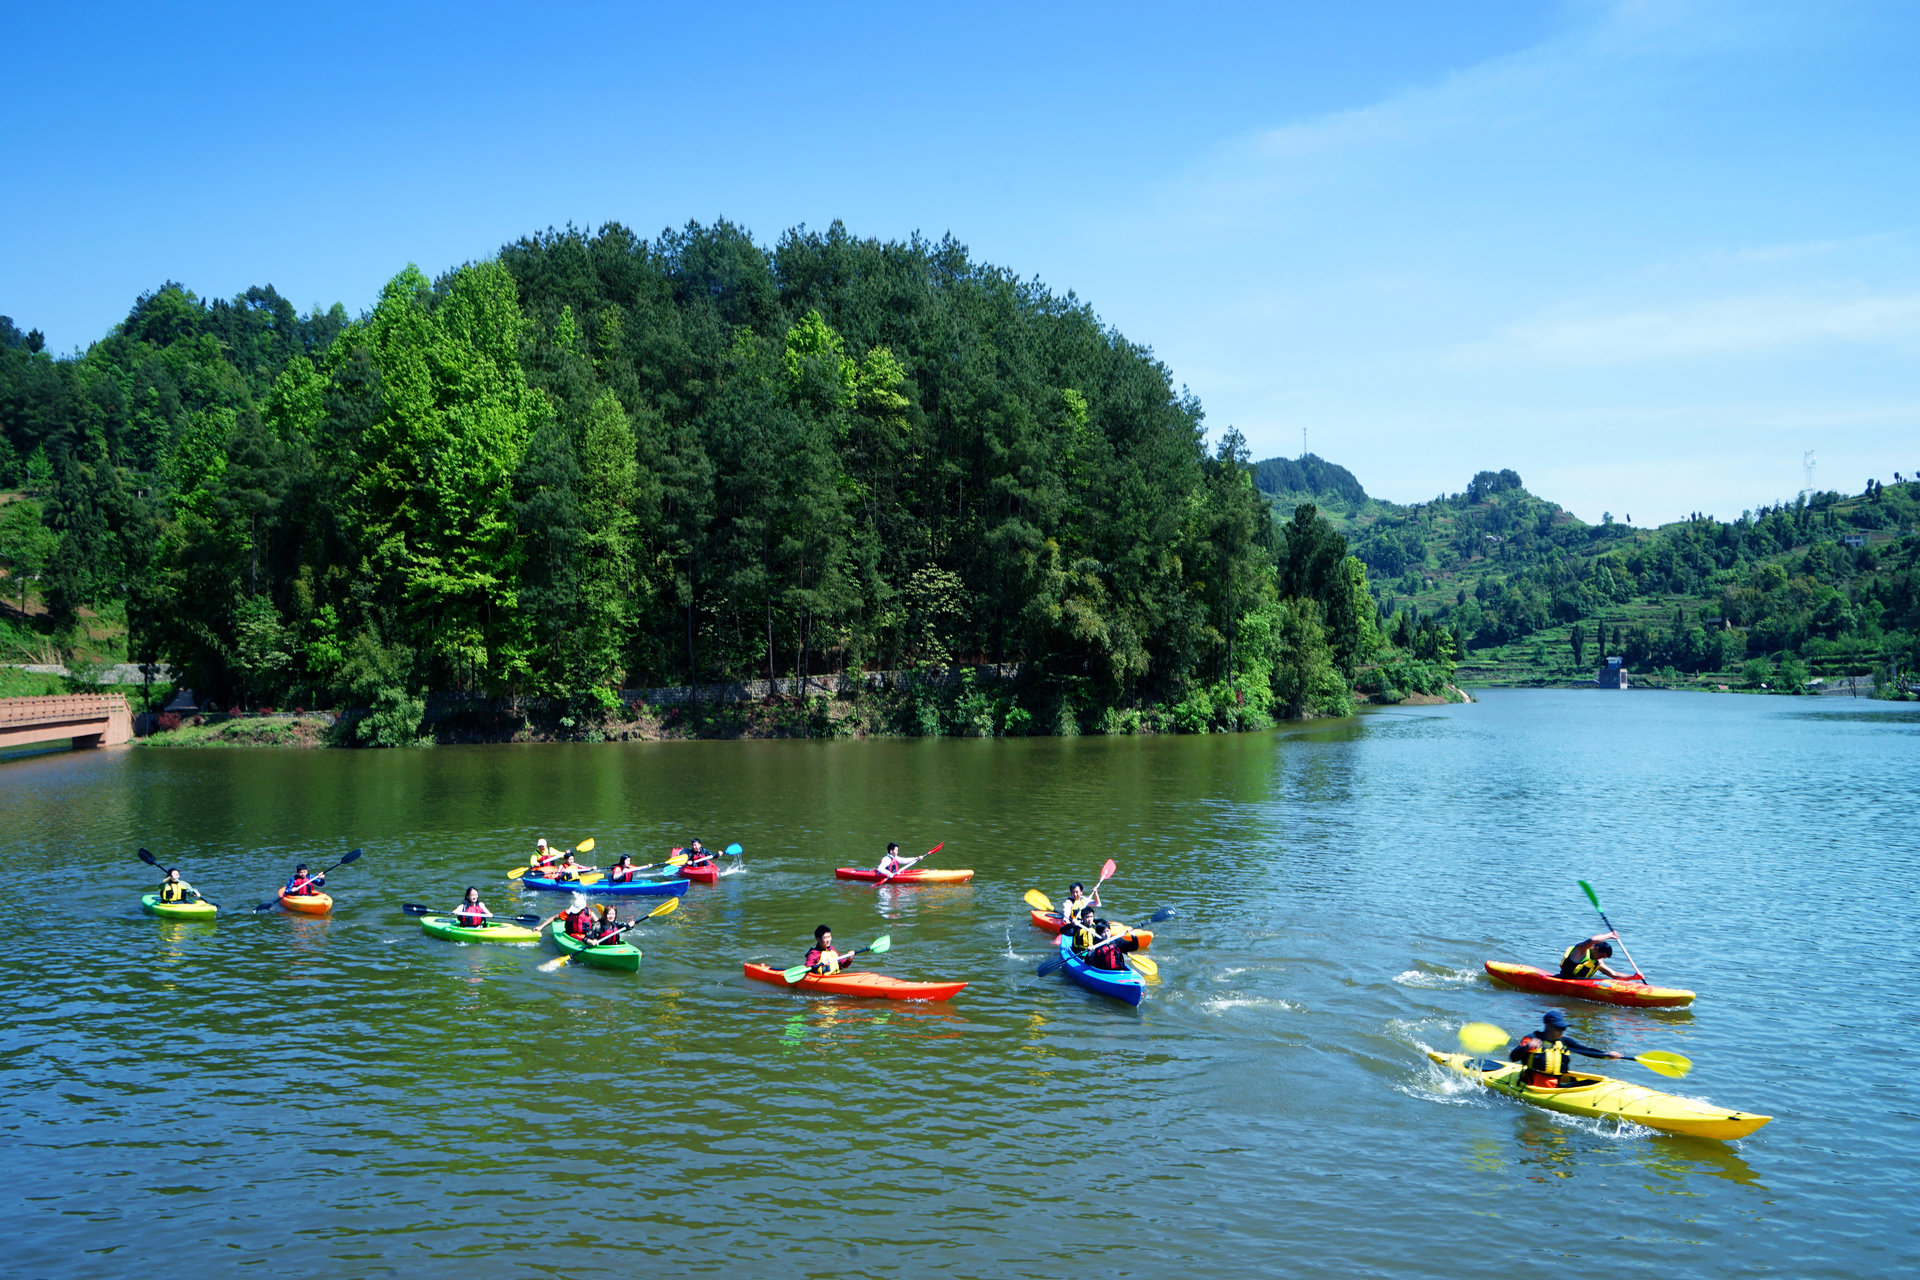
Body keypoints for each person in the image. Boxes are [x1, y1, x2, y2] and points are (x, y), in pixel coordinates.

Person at [1508, 1010, 1625, 1088]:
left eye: (1563, 1028)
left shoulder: (1564, 1042)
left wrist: (1606, 1054)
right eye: (1558, 1028)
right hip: (1535, 1083)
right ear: (1547, 1026)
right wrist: (1528, 1046)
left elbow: (1585, 1050)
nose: (1561, 1031)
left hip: (1558, 1082)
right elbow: (1513, 1057)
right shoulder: (1532, 1039)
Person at [1557, 931, 1635, 981]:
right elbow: (1592, 940)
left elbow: (1614, 974)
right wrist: (1609, 935)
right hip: (1564, 979)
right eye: (1601, 956)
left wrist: (1633, 977)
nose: (1600, 959)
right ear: (1596, 949)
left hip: (1581, 983)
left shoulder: (1597, 962)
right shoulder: (1579, 951)